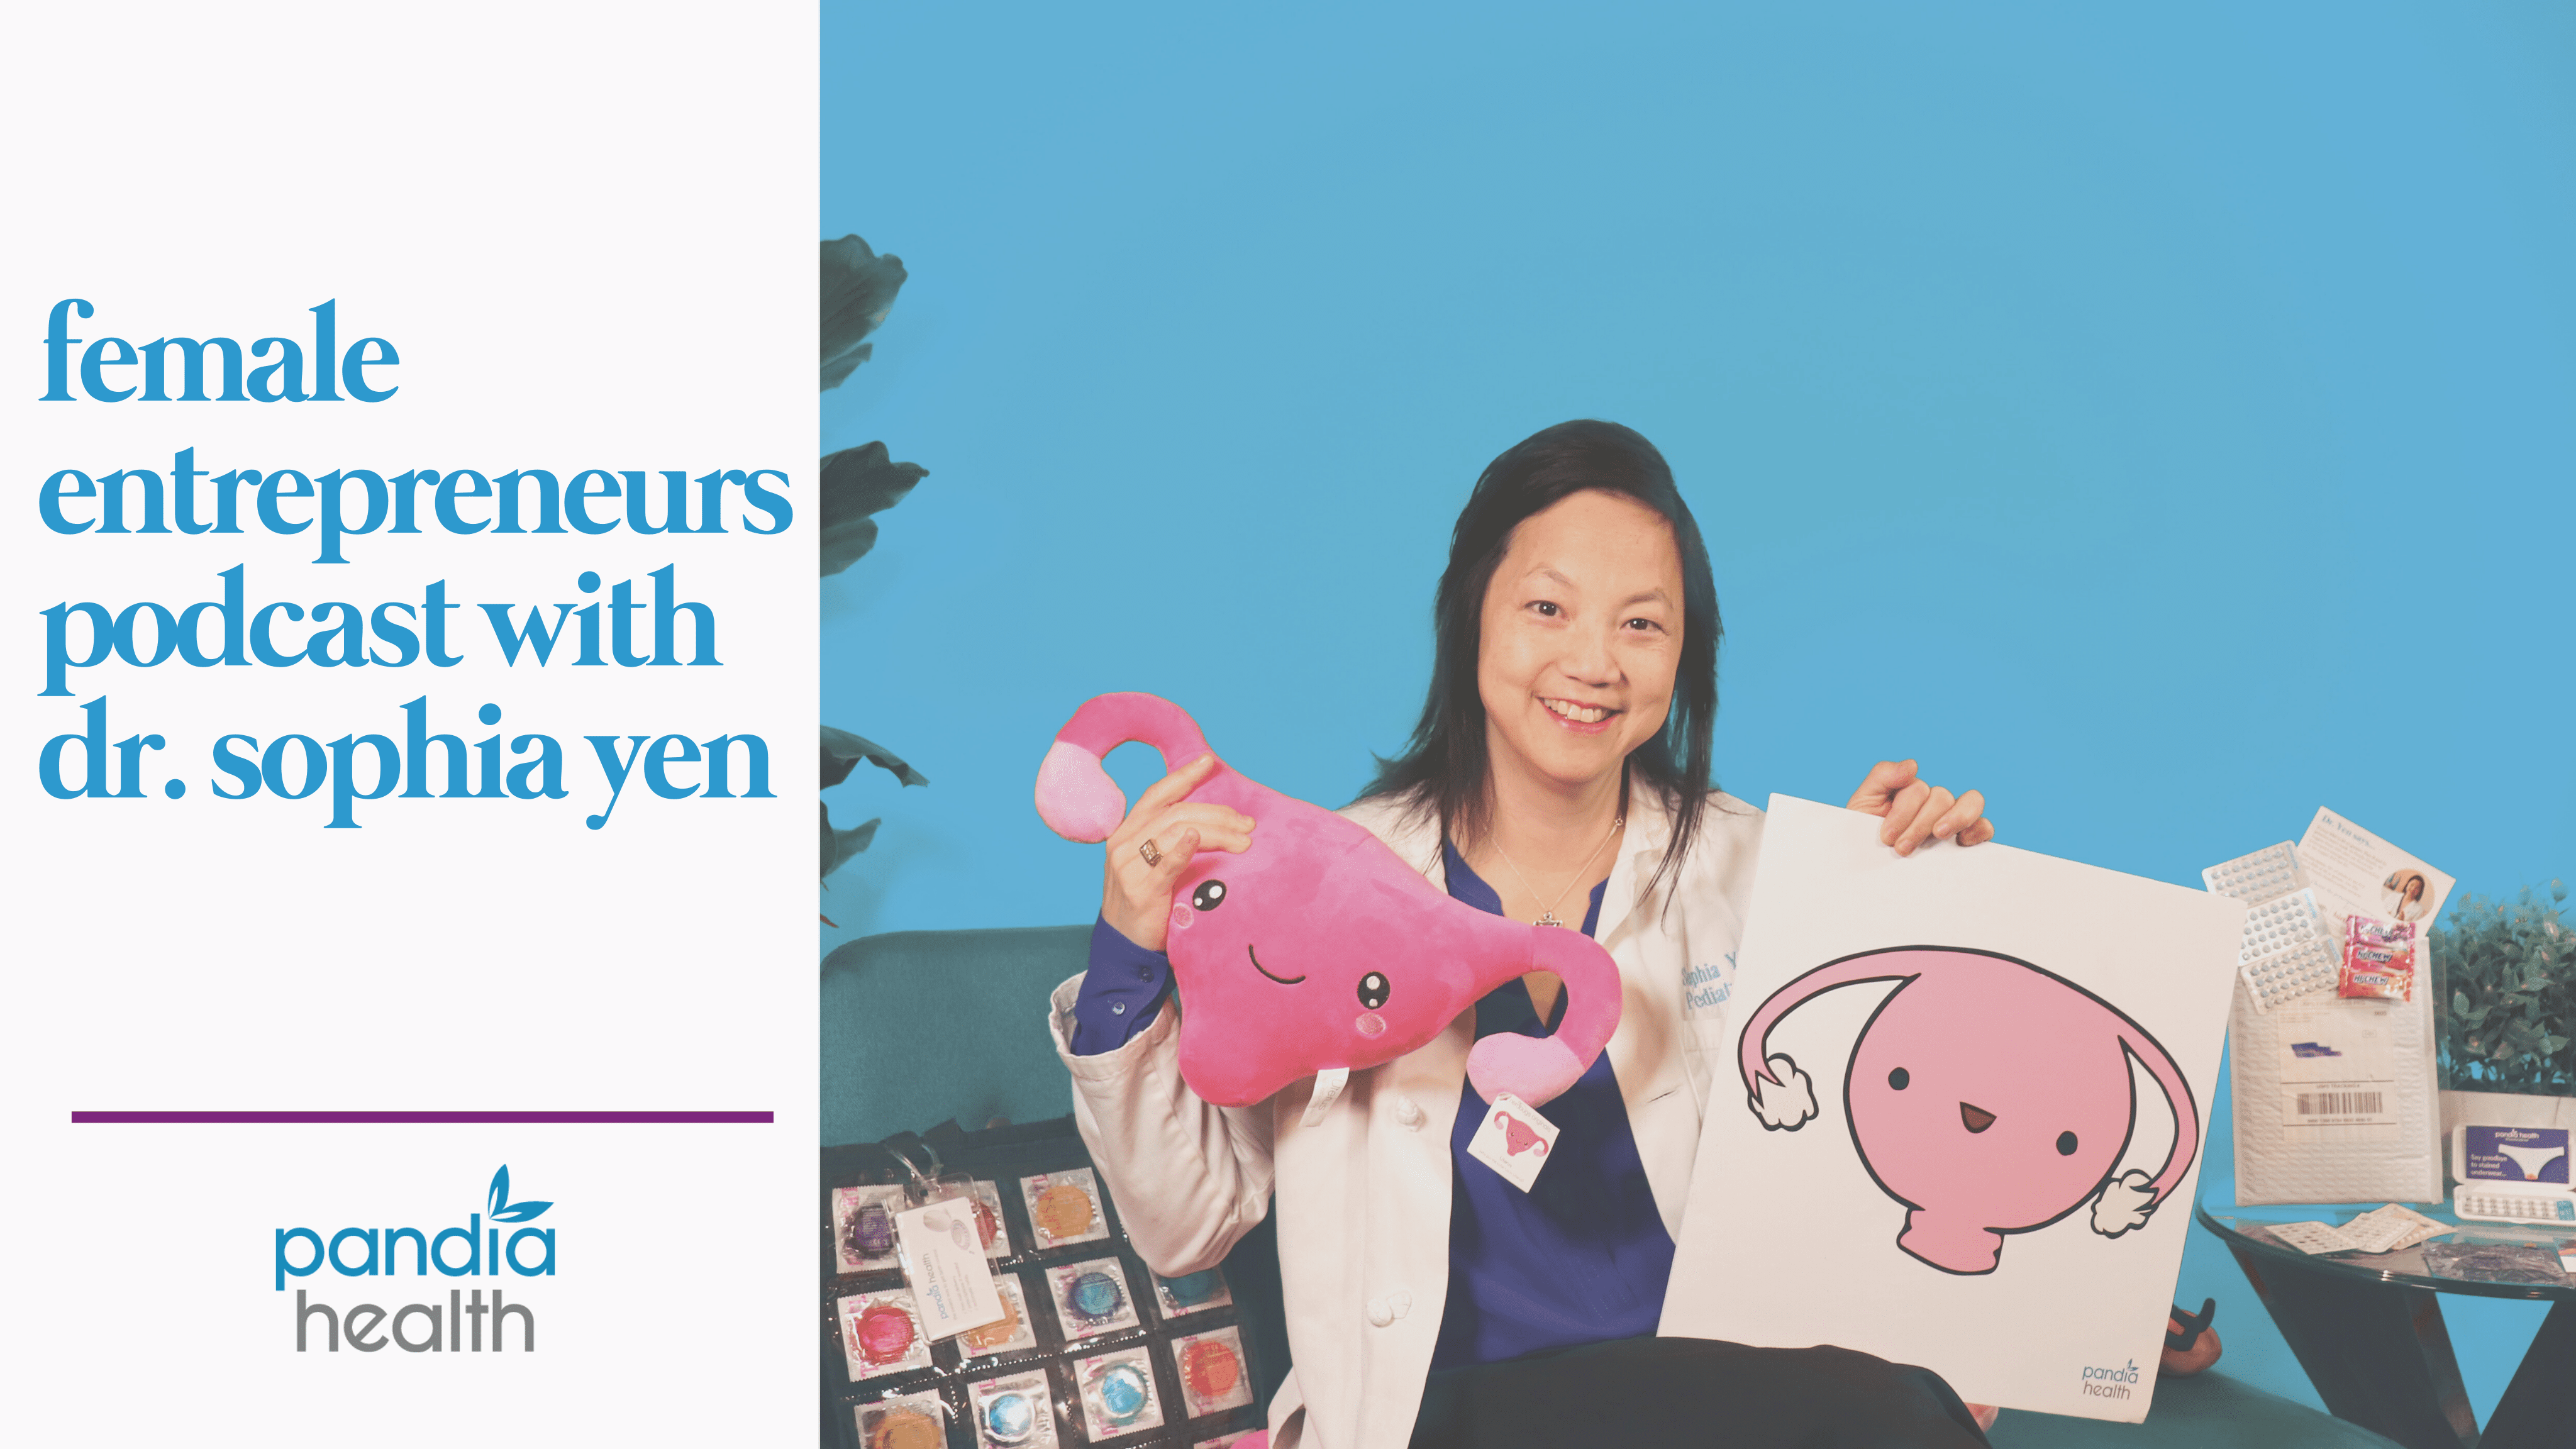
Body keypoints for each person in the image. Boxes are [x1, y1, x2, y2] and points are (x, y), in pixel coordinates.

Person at [1050, 420, 1997, 1448]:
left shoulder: (1751, 867)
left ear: (1688, 653)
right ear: (1472, 619)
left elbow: (1882, 1169)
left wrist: (1881, 913)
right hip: (1438, 1416)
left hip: (1728, 1405)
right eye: (1548, 608)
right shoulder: (1318, 882)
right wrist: (1126, 957)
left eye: (1643, 625)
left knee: (1886, 1411)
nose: (1592, 663)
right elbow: (1186, 1223)